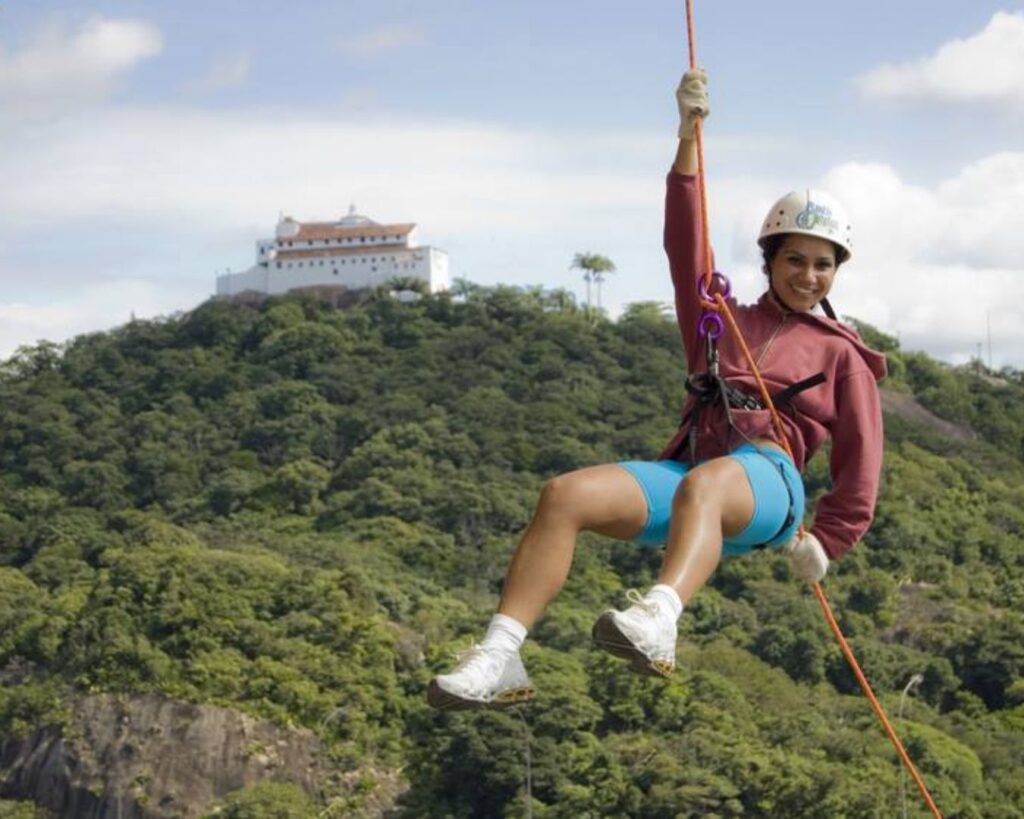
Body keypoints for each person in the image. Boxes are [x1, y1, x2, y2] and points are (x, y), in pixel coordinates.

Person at [427, 68, 886, 711]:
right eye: (794, 259)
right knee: (563, 496)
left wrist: (828, 542)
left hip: (768, 484)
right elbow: (685, 241)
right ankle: (499, 658)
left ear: (836, 272)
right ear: (770, 260)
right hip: (694, 476)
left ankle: (660, 619)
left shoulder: (844, 355)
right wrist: (687, 137)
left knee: (709, 483)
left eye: (822, 264)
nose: (808, 275)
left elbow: (860, 470)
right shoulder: (720, 319)